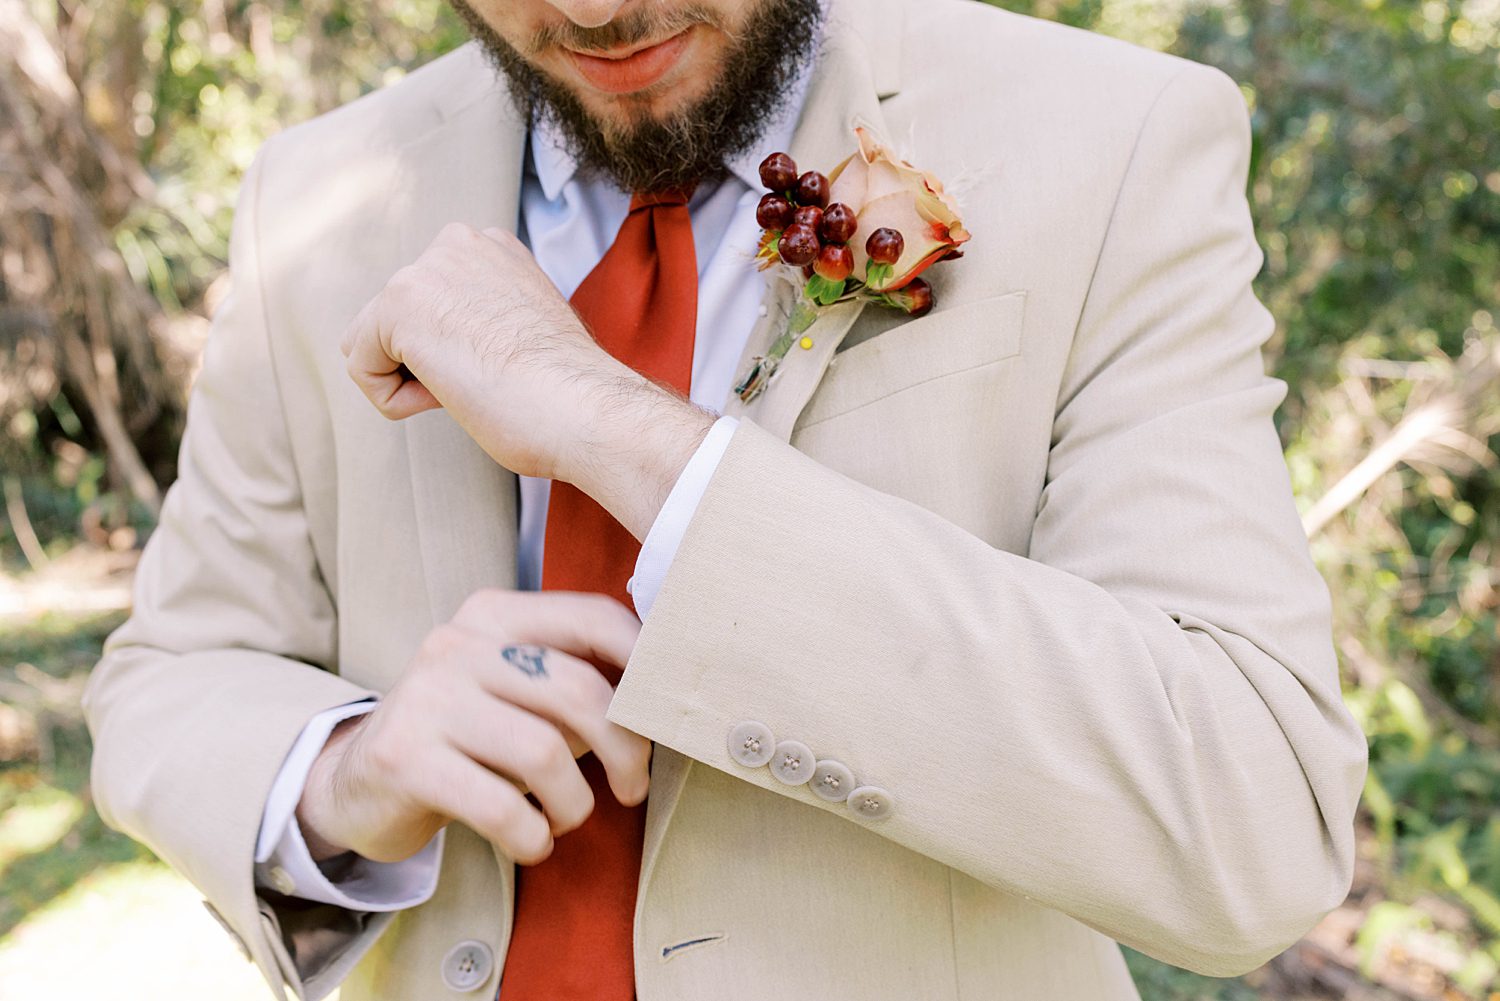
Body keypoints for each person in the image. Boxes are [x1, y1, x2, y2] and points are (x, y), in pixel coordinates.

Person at [81, 0, 1371, 997]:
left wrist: (618, 432)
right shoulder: (314, 194)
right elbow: (175, 671)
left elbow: (1249, 818)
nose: (589, 15)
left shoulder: (1113, 140)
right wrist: (348, 771)